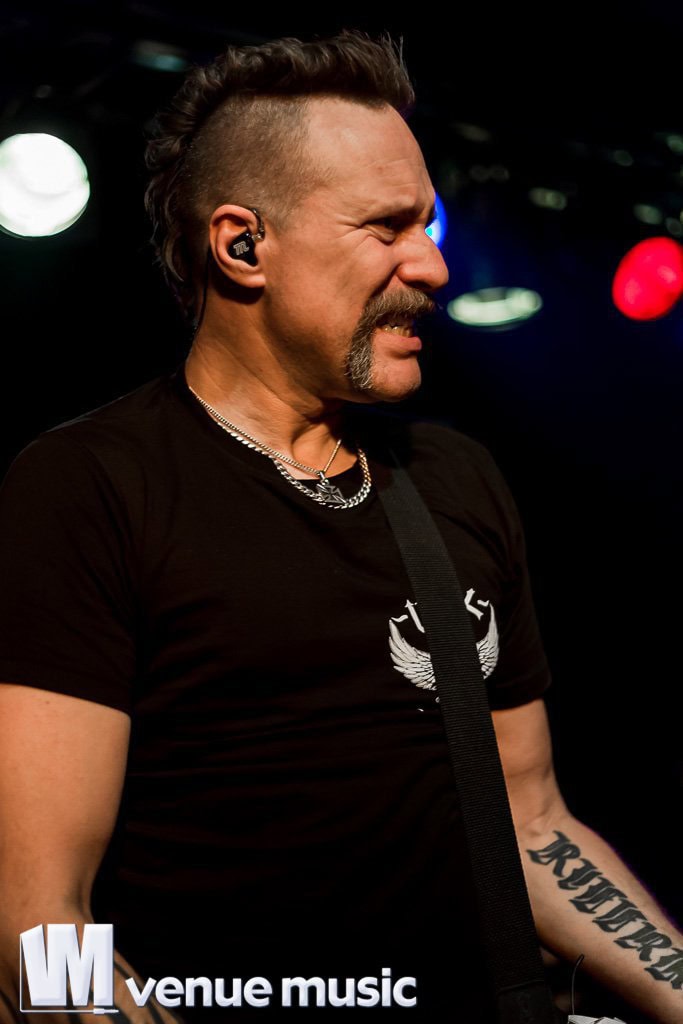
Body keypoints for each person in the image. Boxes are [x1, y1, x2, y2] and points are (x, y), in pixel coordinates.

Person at [0, 30, 680, 1024]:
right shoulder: (91, 486)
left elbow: (532, 827)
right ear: (243, 246)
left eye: (428, 224)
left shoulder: (451, 477)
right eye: (386, 227)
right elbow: (36, 919)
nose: (432, 266)